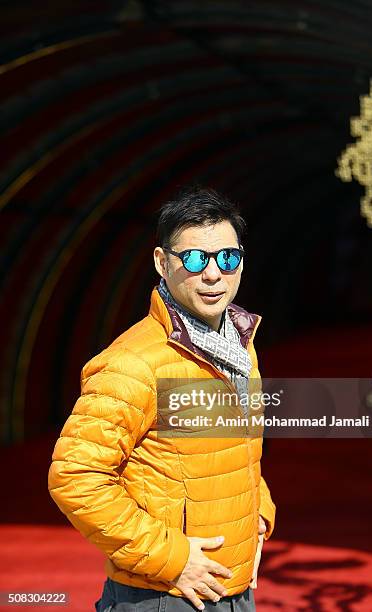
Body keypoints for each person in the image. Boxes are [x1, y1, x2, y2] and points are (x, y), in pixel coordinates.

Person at [48, 186, 276, 611]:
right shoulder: (132, 363)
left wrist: (258, 518)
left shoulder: (239, 344)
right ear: (161, 262)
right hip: (162, 595)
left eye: (227, 258)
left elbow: (235, 448)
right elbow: (75, 476)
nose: (213, 275)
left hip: (232, 589)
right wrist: (172, 560)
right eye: (194, 259)